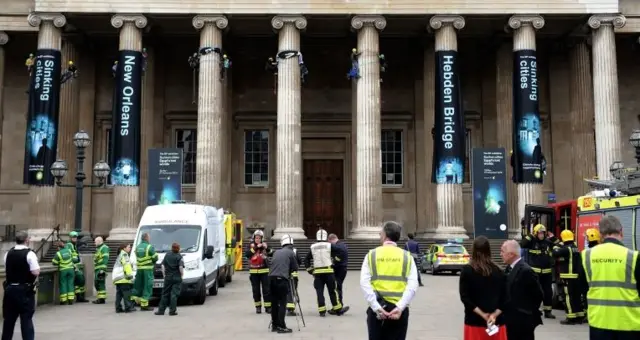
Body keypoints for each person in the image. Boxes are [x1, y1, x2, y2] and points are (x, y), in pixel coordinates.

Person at [579, 215, 640, 339]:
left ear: (600, 234)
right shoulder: (633, 257)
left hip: (599, 323)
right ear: (621, 231)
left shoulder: (586, 256)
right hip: (629, 325)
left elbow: (582, 287)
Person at [360, 221, 418, 340]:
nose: (379, 235)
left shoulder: (371, 255)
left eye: (380, 232)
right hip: (398, 311)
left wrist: (376, 307)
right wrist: (400, 307)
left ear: (385, 234)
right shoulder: (407, 257)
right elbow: (412, 286)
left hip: (378, 310)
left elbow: (364, 284)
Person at [459, 236, 507, 340]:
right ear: (489, 250)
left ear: (474, 250)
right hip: (496, 322)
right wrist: (494, 315)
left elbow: (465, 298)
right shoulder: (499, 271)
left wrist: (483, 314)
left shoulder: (467, 271)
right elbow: (506, 298)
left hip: (474, 322)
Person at [501, 240, 543, 340]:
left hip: (523, 322)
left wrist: (526, 312)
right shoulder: (509, 268)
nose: (500, 254)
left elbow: (538, 295)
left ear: (511, 254)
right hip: (511, 321)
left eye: (502, 251)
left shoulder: (526, 271)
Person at [1, 231, 40, 340]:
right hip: (24, 290)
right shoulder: (30, 254)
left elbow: (7, 268)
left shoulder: (8, 253)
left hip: (9, 289)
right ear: (27, 240)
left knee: (8, 321)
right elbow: (36, 272)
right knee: (26, 320)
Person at [304, 228, 349, 316]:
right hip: (329, 272)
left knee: (319, 292)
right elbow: (342, 251)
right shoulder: (329, 245)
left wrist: (310, 270)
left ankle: (322, 311)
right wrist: (335, 261)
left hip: (317, 273)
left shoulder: (313, 247)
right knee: (332, 291)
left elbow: (306, 259)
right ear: (325, 236)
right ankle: (338, 309)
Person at [520, 223, 558, 319]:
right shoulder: (532, 241)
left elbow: (559, 244)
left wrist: (553, 238)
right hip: (535, 272)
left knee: (548, 292)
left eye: (543, 233)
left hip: (547, 272)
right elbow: (522, 244)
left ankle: (548, 311)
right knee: (535, 292)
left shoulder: (547, 241)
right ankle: (534, 310)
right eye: (539, 233)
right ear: (536, 233)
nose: (541, 235)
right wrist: (530, 236)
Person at [268, 234, 299, 333]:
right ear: (291, 244)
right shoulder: (291, 252)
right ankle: (282, 326)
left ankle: (275, 325)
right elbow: (295, 267)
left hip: (271, 279)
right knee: (282, 303)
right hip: (282, 279)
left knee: (274, 303)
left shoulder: (276, 252)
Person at [552, 230, 584, 325]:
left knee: (568, 297)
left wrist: (556, 245)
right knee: (576, 297)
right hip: (576, 277)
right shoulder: (575, 248)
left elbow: (555, 252)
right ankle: (579, 316)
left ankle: (570, 318)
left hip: (568, 277)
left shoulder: (566, 249)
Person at [245, 229, 273, 314]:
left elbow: (272, 253)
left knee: (267, 290)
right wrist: (256, 247)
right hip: (254, 272)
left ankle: (268, 307)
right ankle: (258, 307)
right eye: (256, 238)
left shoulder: (265, 245)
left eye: (259, 238)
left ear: (262, 238)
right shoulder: (250, 245)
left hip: (264, 271)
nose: (258, 239)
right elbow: (247, 254)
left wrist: (266, 248)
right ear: (254, 238)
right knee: (256, 291)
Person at [131, 232, 158, 311]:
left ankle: (131, 303)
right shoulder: (149, 247)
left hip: (139, 270)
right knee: (147, 286)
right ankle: (144, 305)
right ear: (146, 238)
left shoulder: (137, 247)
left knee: (138, 286)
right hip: (148, 270)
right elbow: (155, 258)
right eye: (149, 237)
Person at [155, 242, 184, 316]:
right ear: (178, 248)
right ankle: (172, 311)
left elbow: (162, 266)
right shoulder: (179, 256)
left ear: (172, 248)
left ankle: (161, 311)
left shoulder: (167, 255)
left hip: (168, 277)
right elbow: (180, 267)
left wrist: (164, 274)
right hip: (176, 277)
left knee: (165, 294)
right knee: (174, 294)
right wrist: (182, 274)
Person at [112, 243, 136, 313]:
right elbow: (127, 265)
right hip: (123, 277)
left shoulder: (120, 255)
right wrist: (130, 275)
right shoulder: (125, 255)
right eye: (128, 247)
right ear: (124, 248)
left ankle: (118, 308)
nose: (130, 248)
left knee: (119, 294)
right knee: (126, 293)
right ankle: (128, 308)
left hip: (117, 277)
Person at [328, 233, 350, 304]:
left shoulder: (339, 245)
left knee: (337, 287)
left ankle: (339, 304)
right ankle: (339, 303)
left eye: (330, 242)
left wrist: (334, 261)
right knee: (338, 286)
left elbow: (341, 254)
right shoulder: (341, 244)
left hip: (340, 269)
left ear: (332, 239)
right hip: (342, 268)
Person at [66, 231, 87, 303]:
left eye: (76, 237)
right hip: (73, 266)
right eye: (73, 237)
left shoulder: (74, 244)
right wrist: (75, 260)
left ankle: (80, 297)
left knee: (79, 281)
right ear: (70, 238)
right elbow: (69, 255)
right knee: (80, 279)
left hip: (76, 265)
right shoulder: (69, 245)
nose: (75, 238)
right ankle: (79, 297)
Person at [285, 238, 303, 317]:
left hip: (284, 275)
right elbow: (300, 261)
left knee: (286, 291)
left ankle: (286, 306)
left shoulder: (282, 251)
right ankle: (290, 309)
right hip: (294, 275)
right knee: (292, 292)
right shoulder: (295, 250)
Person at [92, 236, 109, 304]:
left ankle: (101, 299)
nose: (94, 243)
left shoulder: (104, 248)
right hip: (97, 268)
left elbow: (105, 258)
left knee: (100, 283)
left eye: (95, 242)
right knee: (97, 283)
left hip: (101, 268)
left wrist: (102, 269)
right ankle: (100, 297)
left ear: (99, 241)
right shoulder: (99, 248)